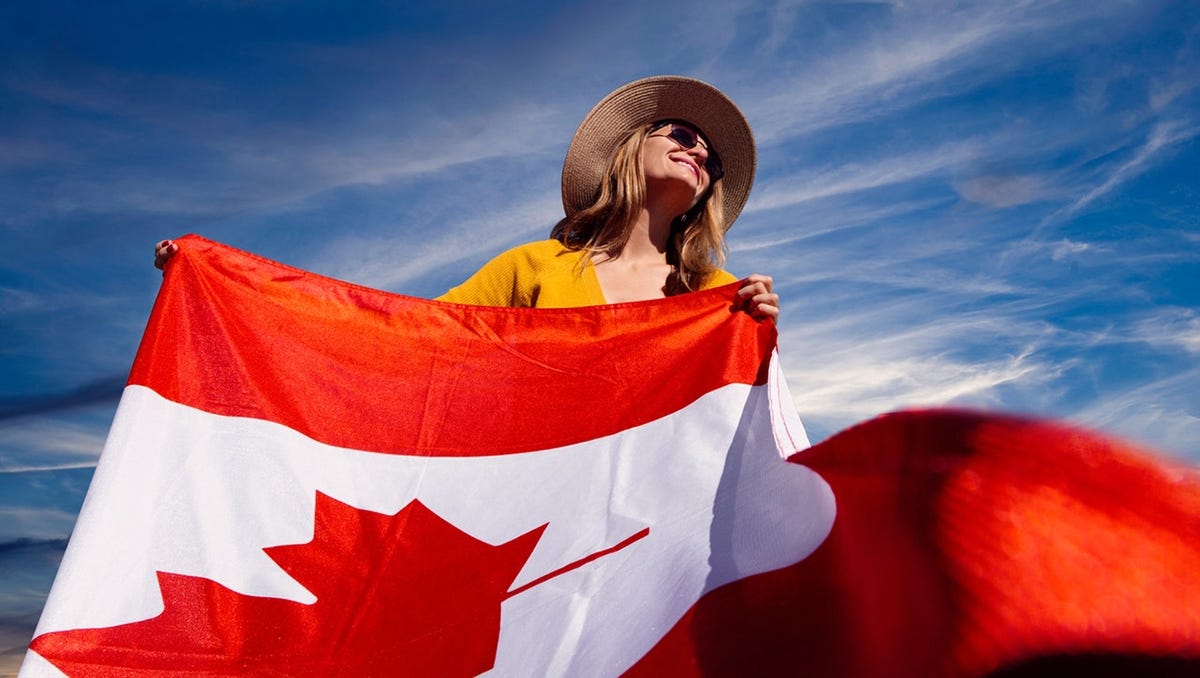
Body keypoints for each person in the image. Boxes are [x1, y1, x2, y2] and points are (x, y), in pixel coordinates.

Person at [156, 76, 779, 320]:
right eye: (683, 135)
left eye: (712, 159)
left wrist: (758, 337)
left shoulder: (716, 293)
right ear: (629, 148)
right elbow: (412, 332)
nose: (699, 153)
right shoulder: (535, 268)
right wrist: (227, 284)